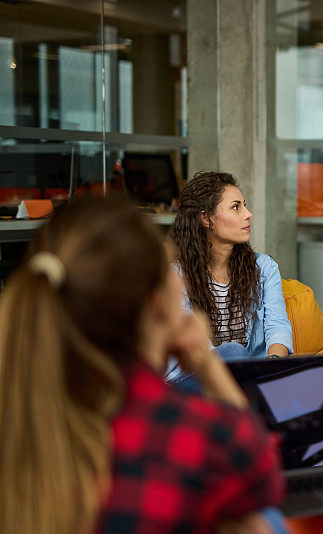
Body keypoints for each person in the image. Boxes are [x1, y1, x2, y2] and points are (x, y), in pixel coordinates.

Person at [0, 196, 284, 533]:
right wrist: (207, 365)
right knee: (264, 522)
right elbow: (264, 481)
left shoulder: (21, 414)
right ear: (158, 303)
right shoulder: (188, 431)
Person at [169, 171, 293, 368]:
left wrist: (272, 366)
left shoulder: (264, 267)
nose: (248, 214)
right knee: (233, 352)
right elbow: (194, 346)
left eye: (244, 205)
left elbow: (278, 326)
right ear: (206, 218)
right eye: (236, 207)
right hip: (197, 374)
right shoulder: (175, 276)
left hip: (250, 373)